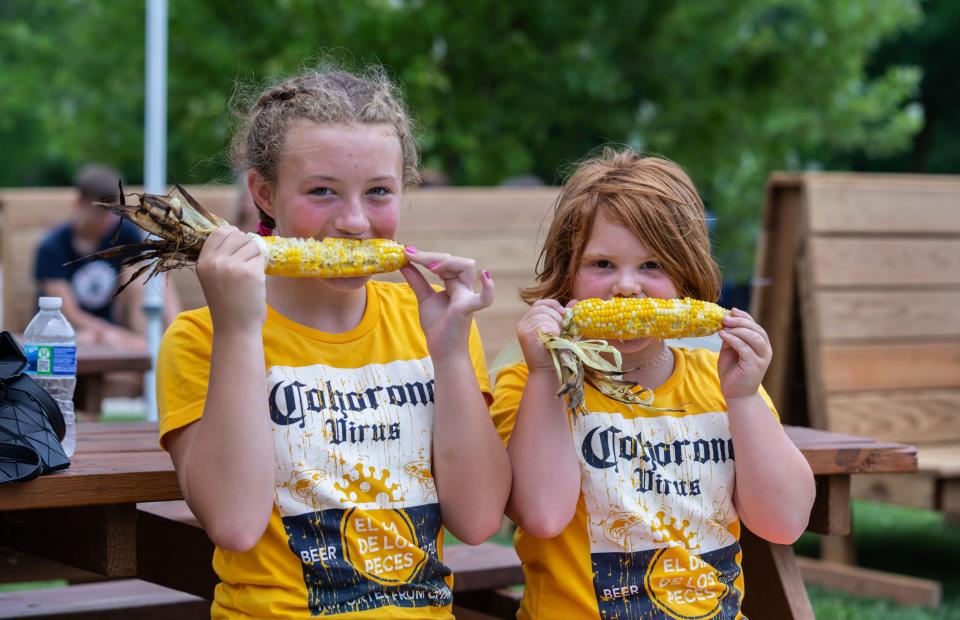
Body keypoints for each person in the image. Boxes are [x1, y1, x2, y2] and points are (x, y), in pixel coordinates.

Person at [156, 66, 511, 618]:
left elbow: (480, 518)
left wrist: (449, 352)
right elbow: (234, 523)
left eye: (378, 193)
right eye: (322, 191)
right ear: (263, 193)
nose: (353, 221)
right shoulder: (204, 336)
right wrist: (241, 330)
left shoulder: (431, 324)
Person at [490, 149, 815, 619]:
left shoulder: (721, 383)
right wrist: (546, 374)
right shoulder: (530, 382)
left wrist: (744, 398)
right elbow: (541, 514)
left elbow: (784, 523)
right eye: (602, 264)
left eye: (652, 266)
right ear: (567, 275)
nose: (626, 286)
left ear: (686, 276)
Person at [34, 163, 180, 350]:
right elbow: (69, 314)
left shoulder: (125, 232)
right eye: (101, 211)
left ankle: (175, 340)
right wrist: (114, 335)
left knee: (148, 275)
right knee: (89, 341)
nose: (109, 220)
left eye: (115, 211)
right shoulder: (52, 246)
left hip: (118, 328)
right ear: (78, 203)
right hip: (73, 332)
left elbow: (147, 282)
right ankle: (149, 350)